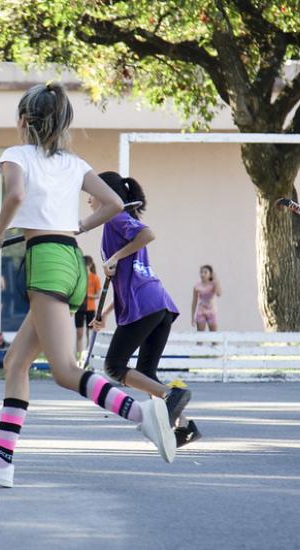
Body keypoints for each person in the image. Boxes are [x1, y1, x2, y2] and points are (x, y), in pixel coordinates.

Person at [0, 82, 186, 489]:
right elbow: (115, 204)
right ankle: (1, 461)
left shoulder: (16, 155)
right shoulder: (75, 163)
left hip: (45, 260)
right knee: (15, 362)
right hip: (71, 261)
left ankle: (142, 415)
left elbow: (14, 196)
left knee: (64, 370)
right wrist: (78, 225)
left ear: (24, 121)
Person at [90, 172, 200, 448]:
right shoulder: (117, 222)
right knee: (145, 375)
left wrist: (114, 256)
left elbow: (148, 234)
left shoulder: (115, 217)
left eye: (91, 192)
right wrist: (104, 314)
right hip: (156, 302)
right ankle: (184, 426)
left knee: (114, 367)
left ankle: (172, 395)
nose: (89, 198)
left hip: (144, 304)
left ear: (106, 195)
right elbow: (124, 279)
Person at [74, 255, 101, 357]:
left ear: (89, 265)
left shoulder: (95, 278)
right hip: (79, 308)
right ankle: (79, 356)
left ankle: (88, 356)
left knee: (89, 333)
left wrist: (88, 295)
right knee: (79, 333)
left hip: (90, 308)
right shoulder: (78, 278)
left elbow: (98, 295)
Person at [192, 265, 222, 332]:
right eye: (201, 272)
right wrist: (192, 317)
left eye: (205, 272)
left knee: (214, 337)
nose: (203, 274)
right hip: (201, 312)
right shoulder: (197, 286)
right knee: (200, 336)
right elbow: (194, 302)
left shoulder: (213, 284)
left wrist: (216, 280)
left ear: (210, 274)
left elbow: (219, 294)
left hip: (212, 312)